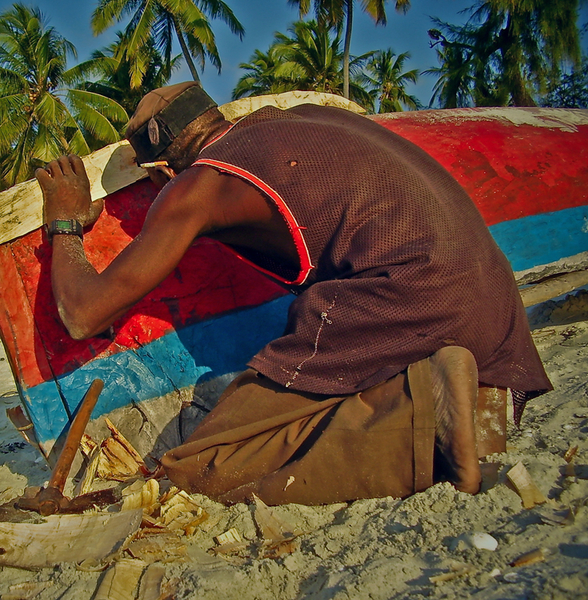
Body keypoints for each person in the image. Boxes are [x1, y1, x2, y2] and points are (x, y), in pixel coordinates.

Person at [34, 82, 552, 505]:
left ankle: (416, 419)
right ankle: (477, 405)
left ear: (162, 169)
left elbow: (83, 315)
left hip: (411, 297)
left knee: (200, 467)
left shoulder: (197, 185)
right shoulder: (307, 117)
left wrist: (64, 221)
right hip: (497, 314)